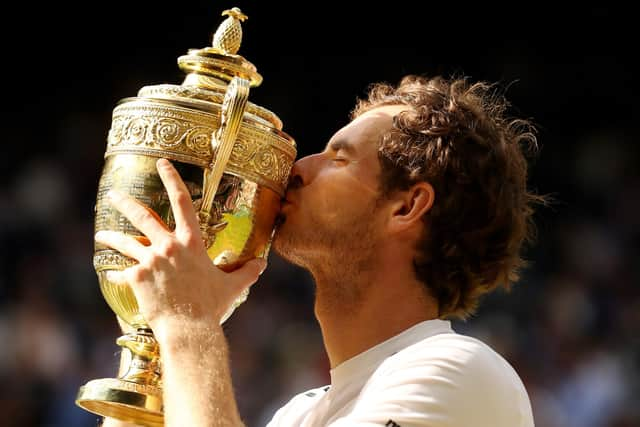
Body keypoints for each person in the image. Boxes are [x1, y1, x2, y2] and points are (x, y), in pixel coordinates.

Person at [99, 74, 543, 426]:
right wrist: (151, 338)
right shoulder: (298, 415)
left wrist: (188, 320)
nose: (297, 169)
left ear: (407, 206)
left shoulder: (458, 372)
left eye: (338, 157)